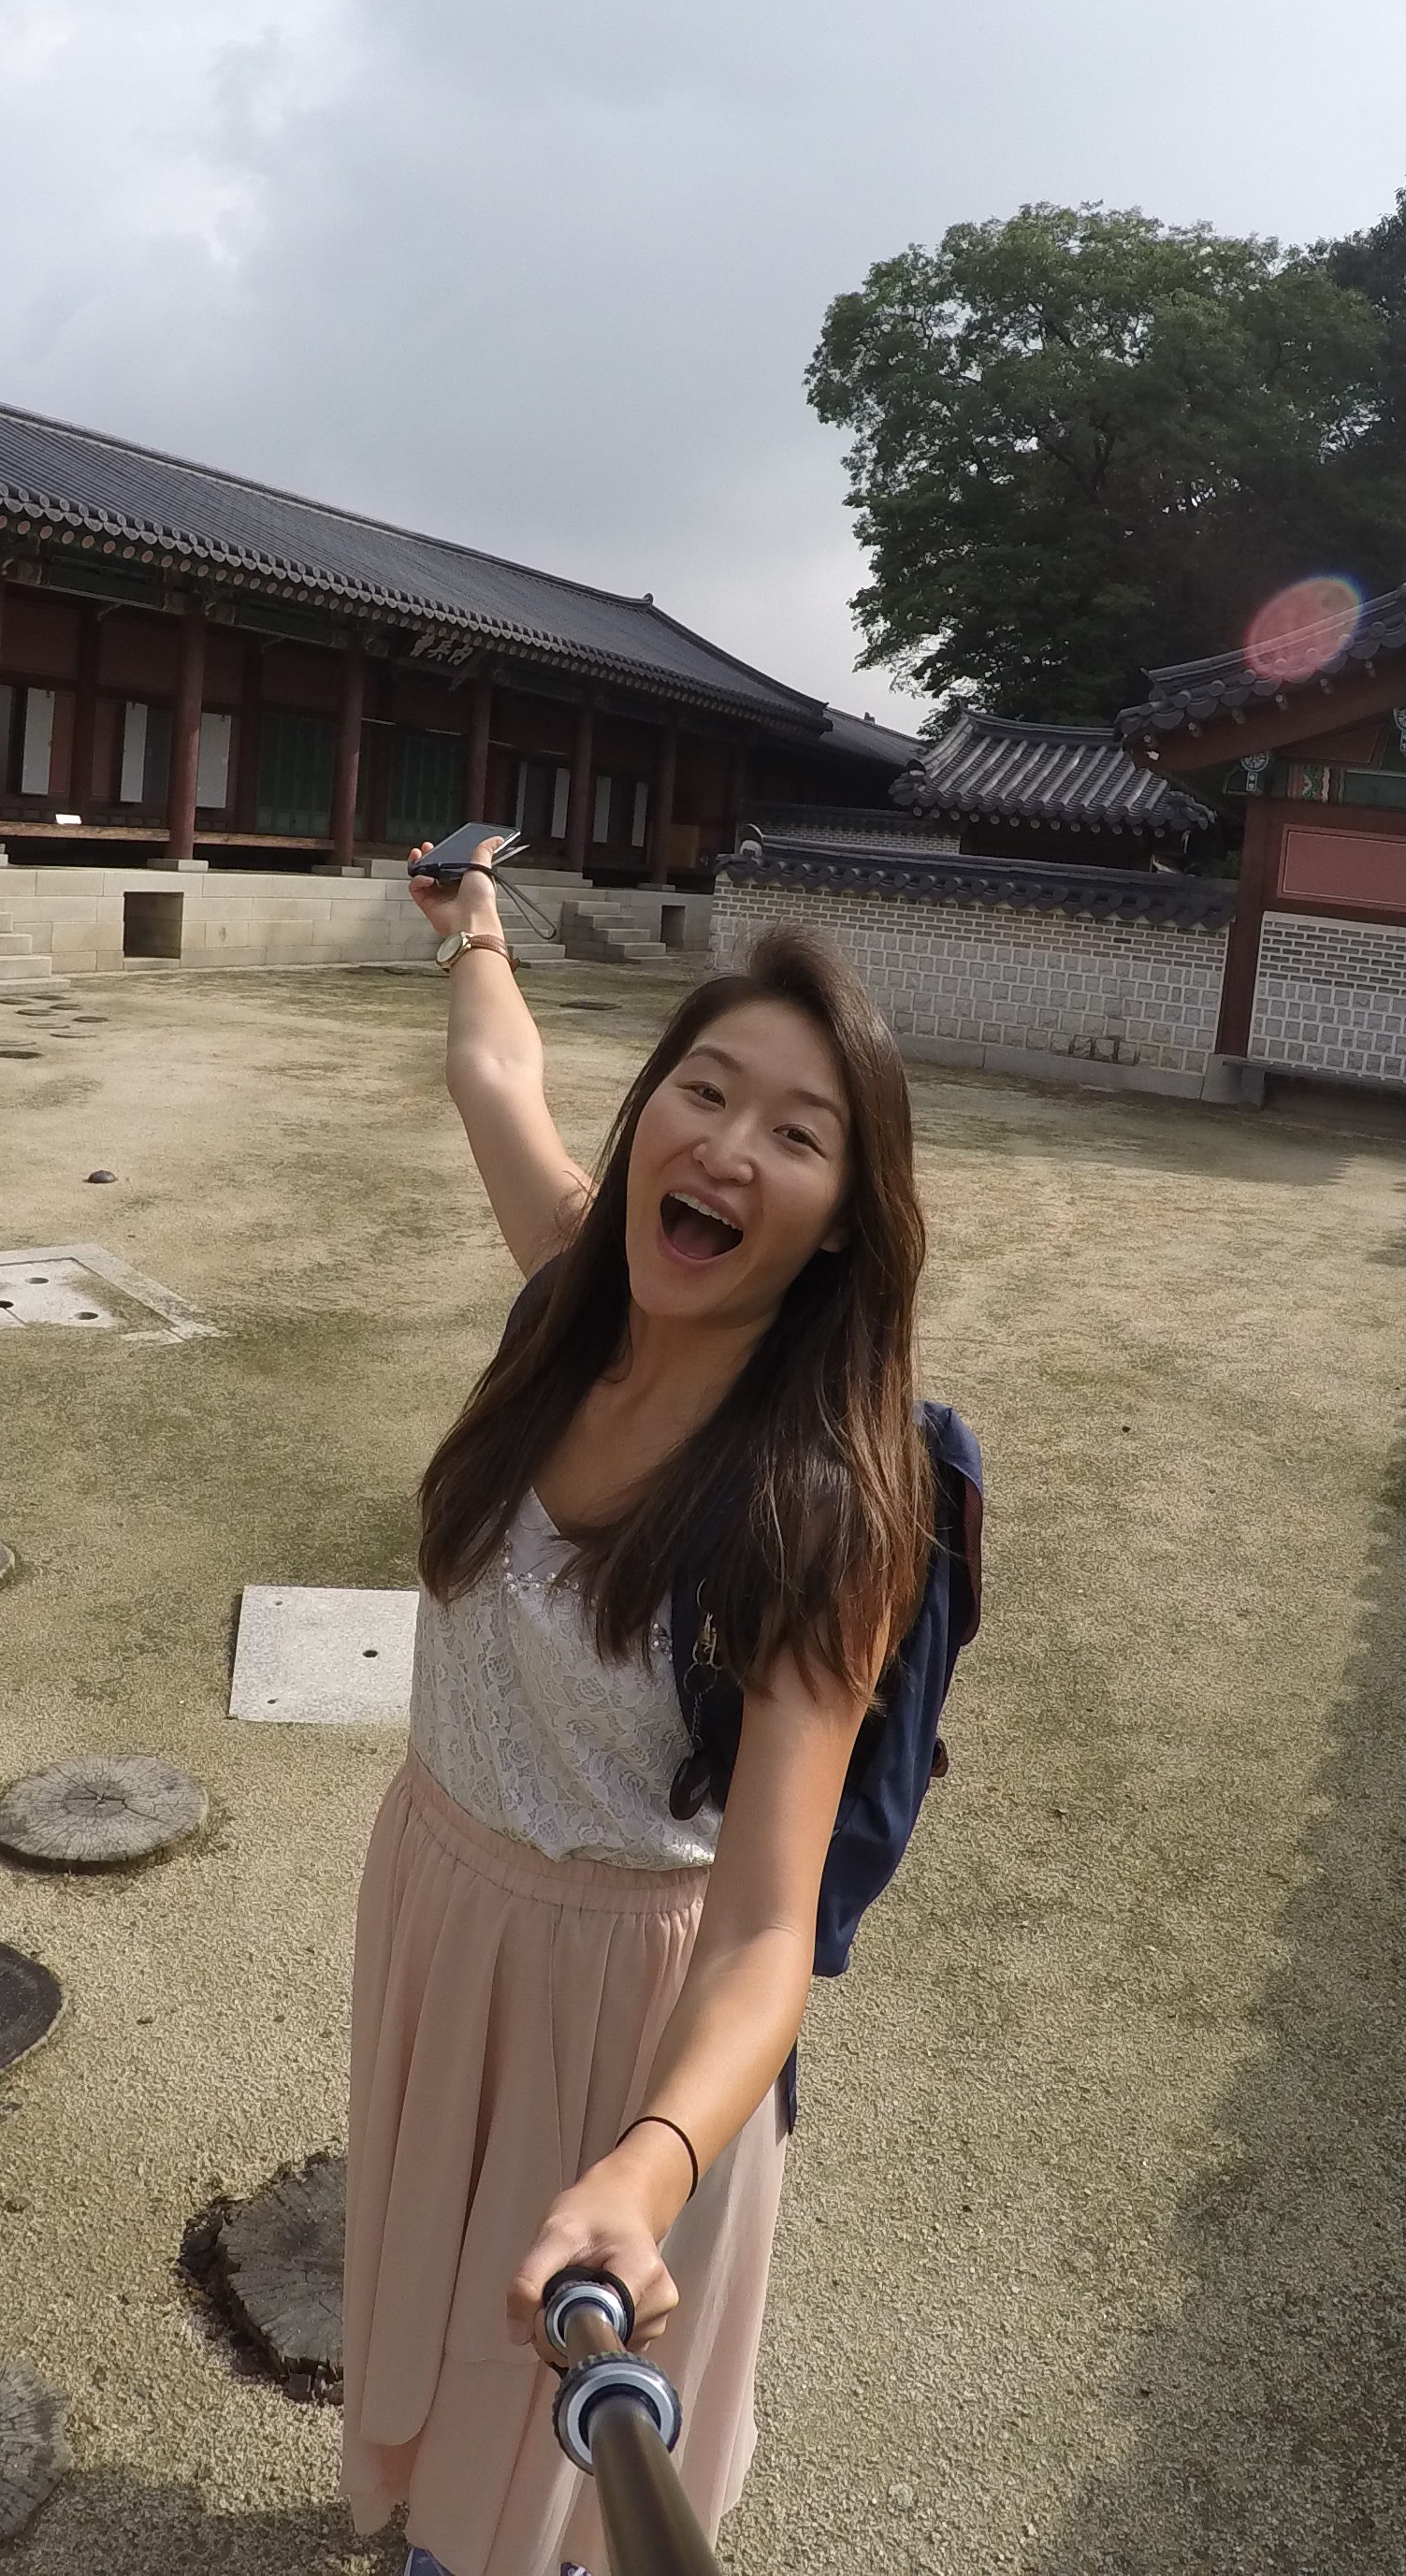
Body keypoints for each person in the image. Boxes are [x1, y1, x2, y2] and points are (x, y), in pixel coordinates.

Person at [344, 836, 932, 2576]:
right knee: (438, 2299)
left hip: (624, 2007)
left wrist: (649, 2169)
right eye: (706, 1089)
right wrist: (473, 928)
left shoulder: (820, 1508)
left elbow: (763, 1931)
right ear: (650, 1112)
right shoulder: (566, 1301)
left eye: (798, 1135)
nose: (729, 1148)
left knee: (537, 2447)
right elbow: (496, 1075)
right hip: (439, 1904)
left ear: (844, 1217)